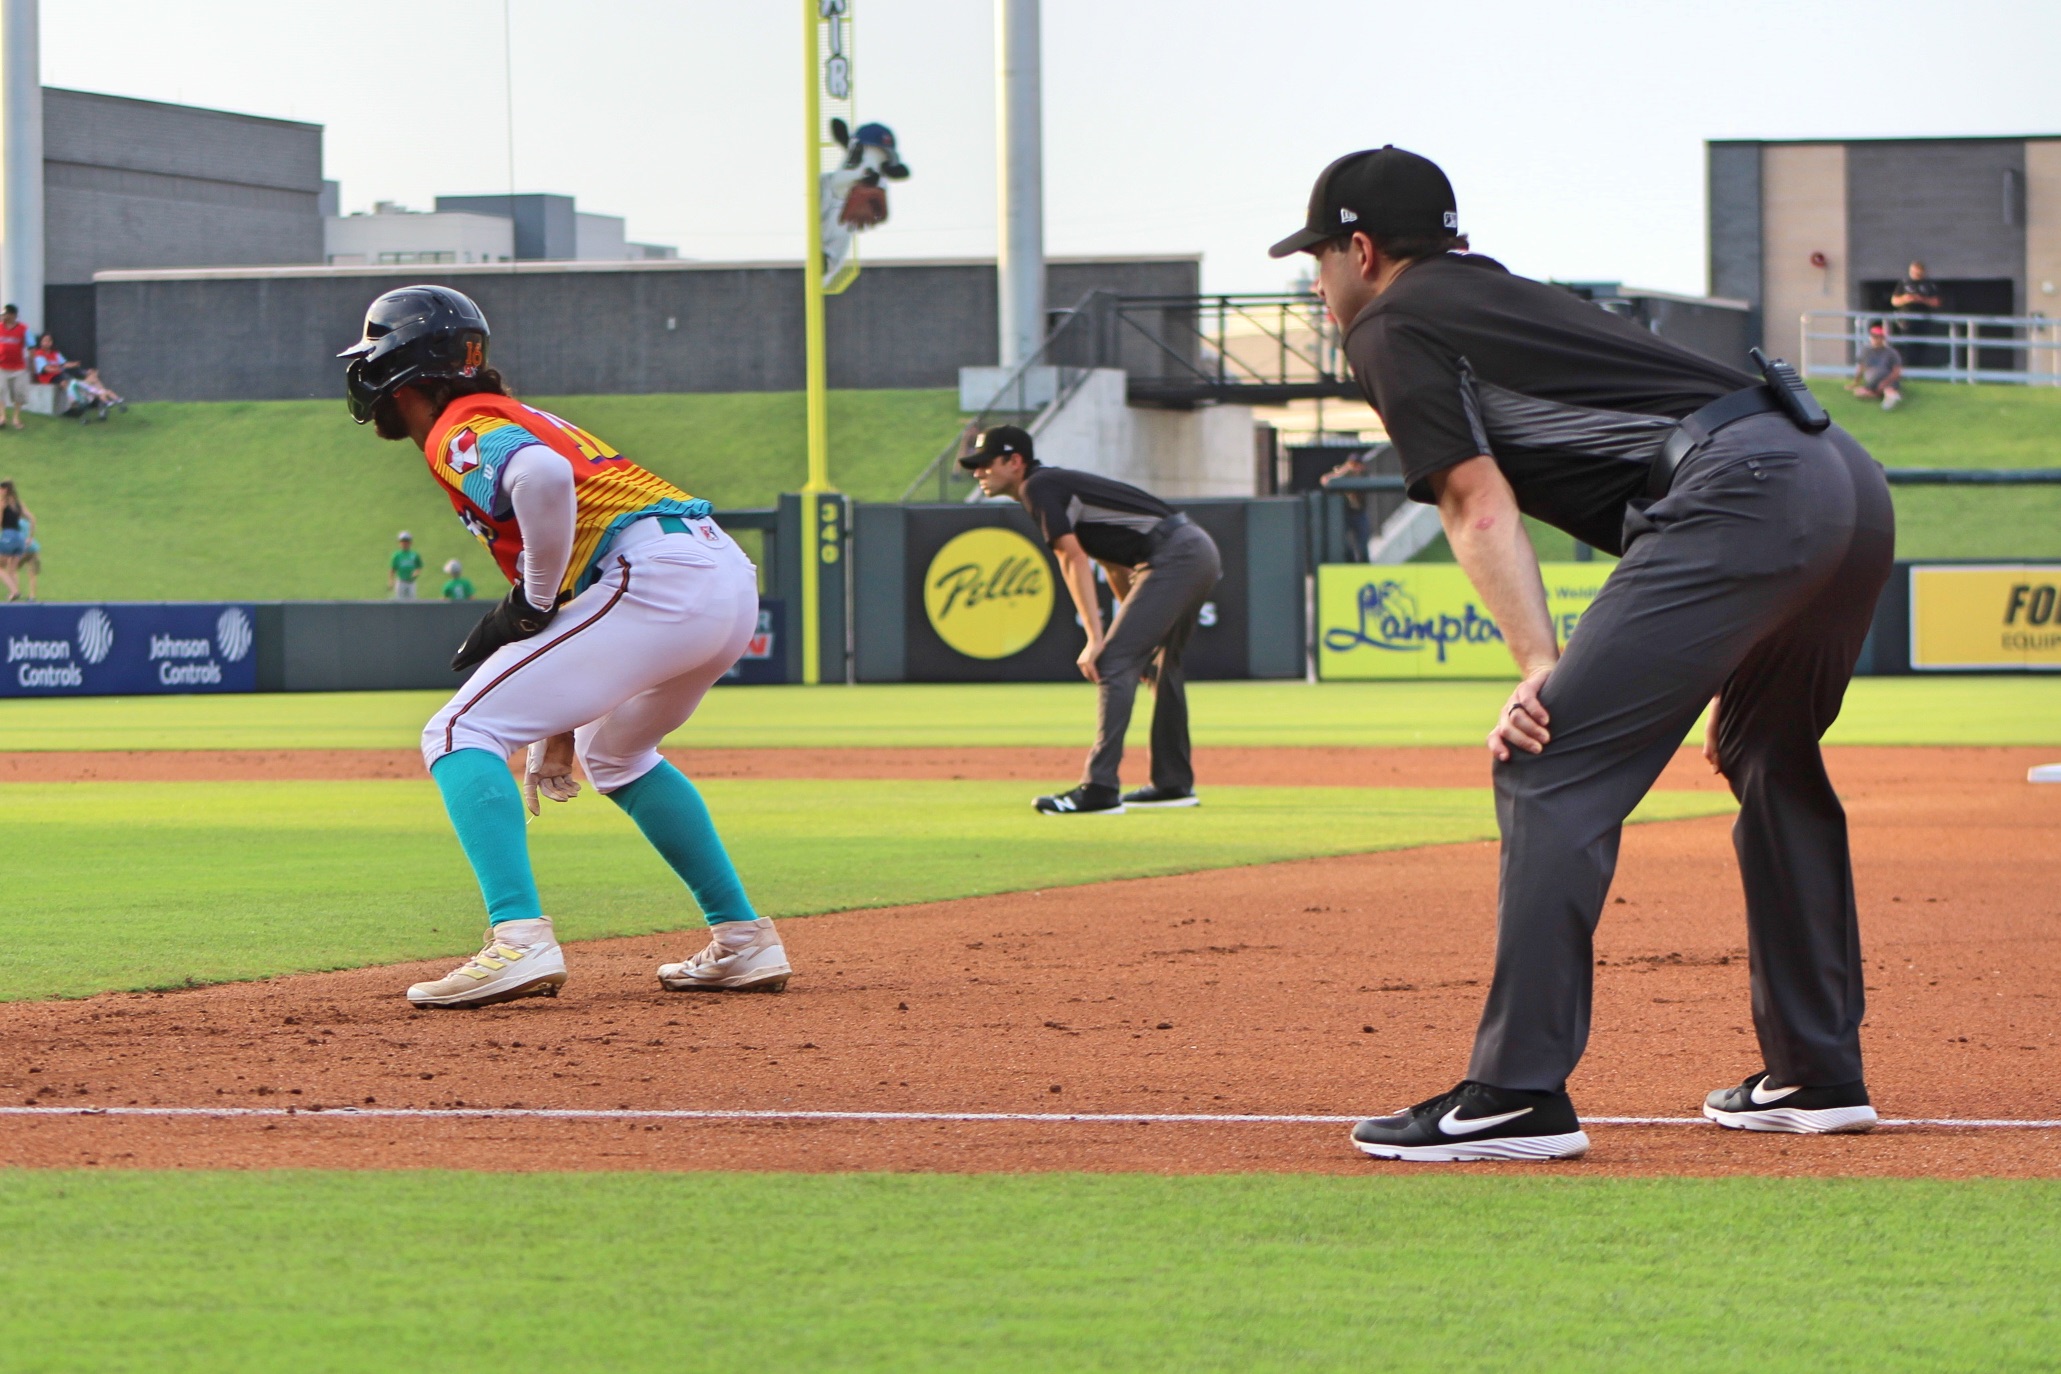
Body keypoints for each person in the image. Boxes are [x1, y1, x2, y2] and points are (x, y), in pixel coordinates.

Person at [1271, 146, 1894, 1161]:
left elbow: (1477, 504)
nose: (1318, 282)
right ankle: (1814, 1073)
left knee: (1548, 759)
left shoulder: (1390, 319)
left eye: (1320, 259)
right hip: (1842, 477)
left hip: (1745, 488)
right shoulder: (1497, 295)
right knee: (1769, 756)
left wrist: (1534, 668)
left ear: (1362, 248)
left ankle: (1517, 1094)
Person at [341, 284, 790, 1008]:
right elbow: (567, 601)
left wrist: (530, 598)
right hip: (717, 577)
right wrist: (555, 733)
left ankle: (517, 940)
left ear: (399, 371)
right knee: (613, 752)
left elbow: (543, 483)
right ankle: (743, 940)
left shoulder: (460, 423)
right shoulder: (515, 414)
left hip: (656, 577)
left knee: (458, 729)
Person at [960, 424, 1222, 814]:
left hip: (1174, 555)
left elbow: (1073, 558)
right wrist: (1131, 632)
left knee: (1113, 661)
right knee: (1160, 665)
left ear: (1014, 462)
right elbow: (1112, 563)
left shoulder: (1037, 488)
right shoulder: (1052, 486)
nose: (977, 472)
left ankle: (1099, 789)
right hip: (1192, 550)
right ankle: (1172, 785)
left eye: (984, 463)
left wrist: (1097, 639)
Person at [1319, 449, 1374, 558]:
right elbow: (1325, 480)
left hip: (1359, 512)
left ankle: (1363, 564)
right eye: (1353, 465)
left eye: (1357, 465)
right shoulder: (1343, 474)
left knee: (1362, 543)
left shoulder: (1364, 475)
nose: (1355, 468)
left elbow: (1367, 483)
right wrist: (1343, 471)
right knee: (1344, 544)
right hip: (1346, 513)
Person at [1891, 260, 1944, 368]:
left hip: (1923, 320)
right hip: (1907, 320)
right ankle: (1907, 369)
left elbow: (1937, 302)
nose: (1915, 275)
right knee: (1907, 346)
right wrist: (1906, 299)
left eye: (1918, 273)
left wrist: (1922, 300)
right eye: (1913, 272)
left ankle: (1919, 369)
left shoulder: (1929, 284)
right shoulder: (1904, 283)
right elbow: (1894, 301)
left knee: (1921, 346)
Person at [1849, 324, 1904, 409]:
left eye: (1879, 337)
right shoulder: (1865, 351)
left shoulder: (1891, 353)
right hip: (1872, 380)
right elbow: (1861, 368)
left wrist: (1884, 382)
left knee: (1887, 388)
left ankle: (1889, 398)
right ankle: (1879, 395)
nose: (1876, 339)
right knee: (1859, 392)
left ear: (1883, 339)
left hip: (1887, 377)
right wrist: (1856, 382)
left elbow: (1897, 372)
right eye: (1874, 337)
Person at [0, 479, 38, 601]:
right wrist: (30, 538)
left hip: (8, 536)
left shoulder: (3, 503)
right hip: (20, 539)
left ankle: (14, 591)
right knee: (12, 569)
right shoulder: (18, 503)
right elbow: (32, 518)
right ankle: (14, 596)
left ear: (5, 490)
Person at [0, 305, 28, 430]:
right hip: (2, 366)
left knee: (18, 393)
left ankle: (16, 418)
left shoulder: (24, 329)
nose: (4, 316)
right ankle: (2, 417)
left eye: (7, 314)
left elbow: (31, 346)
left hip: (18, 368)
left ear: (14, 315)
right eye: (4, 314)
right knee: (0, 390)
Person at [388, 531, 423, 600]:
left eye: (406, 541)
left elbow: (419, 567)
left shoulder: (414, 555)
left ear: (410, 542)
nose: (404, 543)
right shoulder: (396, 555)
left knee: (412, 602)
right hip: (401, 582)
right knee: (400, 601)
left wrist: (416, 572)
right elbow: (392, 569)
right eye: (402, 541)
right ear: (399, 543)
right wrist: (391, 581)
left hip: (411, 582)